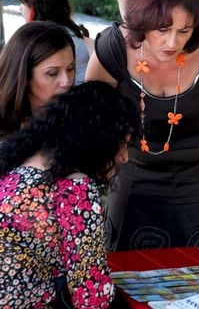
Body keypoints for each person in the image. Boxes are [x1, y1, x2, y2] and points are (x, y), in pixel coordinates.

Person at [86, 0, 199, 251]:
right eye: (162, 30)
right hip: (135, 166)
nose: (173, 43)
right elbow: (95, 113)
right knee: (128, 258)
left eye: (184, 31)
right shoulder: (112, 47)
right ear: (141, 23)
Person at [0, 80, 140, 308]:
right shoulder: (75, 189)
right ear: (97, 142)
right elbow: (92, 295)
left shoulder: (20, 164)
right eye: (121, 144)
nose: (124, 157)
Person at [0, 21, 75, 138]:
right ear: (24, 76)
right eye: (53, 73)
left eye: (70, 69)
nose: (66, 81)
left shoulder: (80, 118)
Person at [18, 0, 94, 85]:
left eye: (22, 4)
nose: (20, 8)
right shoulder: (71, 33)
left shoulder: (49, 40)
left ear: (35, 8)